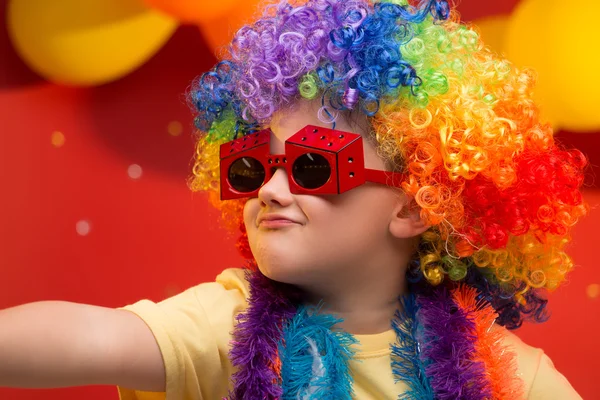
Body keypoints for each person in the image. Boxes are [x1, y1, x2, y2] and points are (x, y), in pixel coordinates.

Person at [0, 0, 587, 399]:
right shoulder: (227, 324)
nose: (270, 188)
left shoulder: (509, 376)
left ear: (415, 204)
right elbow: (91, 338)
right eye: (253, 166)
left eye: (312, 164)